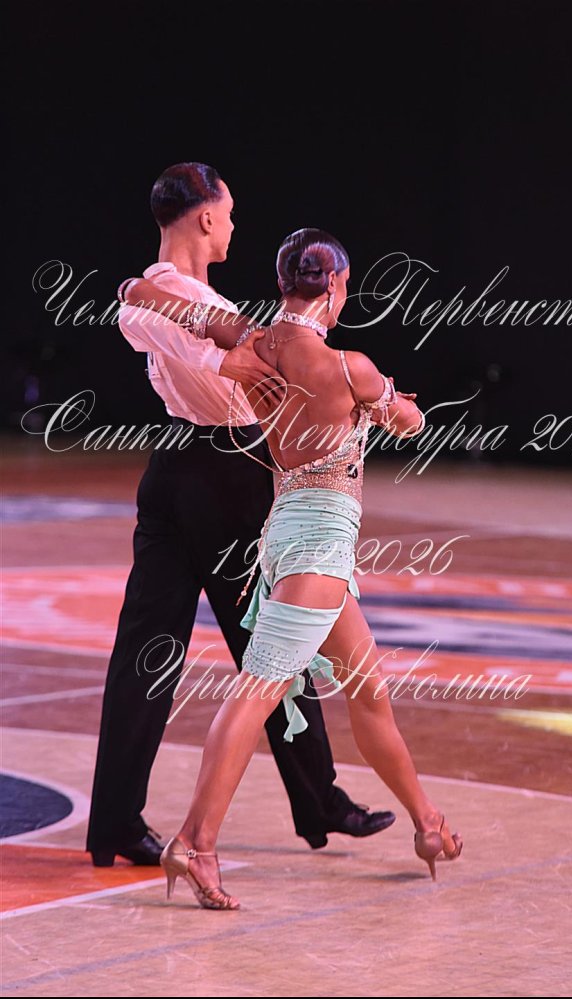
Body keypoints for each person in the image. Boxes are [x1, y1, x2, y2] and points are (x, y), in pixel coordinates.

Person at [123, 226, 463, 910]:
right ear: (333, 285)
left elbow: (147, 297)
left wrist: (137, 286)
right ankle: (194, 841)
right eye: (345, 286)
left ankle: (428, 825)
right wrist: (393, 398)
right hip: (318, 551)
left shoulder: (254, 343)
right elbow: (412, 423)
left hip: (288, 540)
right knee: (256, 691)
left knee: (368, 691)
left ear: (284, 284)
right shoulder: (350, 368)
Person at [85, 164, 396, 868]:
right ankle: (318, 800)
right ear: (204, 218)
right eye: (227, 214)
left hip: (181, 470)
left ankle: (116, 824)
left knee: (152, 650)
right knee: (276, 645)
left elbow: (220, 337)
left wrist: (151, 299)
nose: (232, 225)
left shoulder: (164, 295)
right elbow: (221, 343)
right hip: (222, 472)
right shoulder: (165, 293)